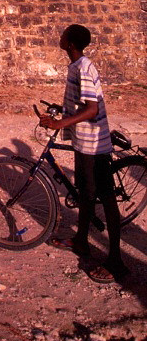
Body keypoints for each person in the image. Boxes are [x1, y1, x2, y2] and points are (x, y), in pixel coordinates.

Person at [40, 24, 128, 283]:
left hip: (94, 144)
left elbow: (91, 109)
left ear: (69, 43)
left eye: (63, 34)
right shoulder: (75, 67)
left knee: (107, 198)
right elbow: (80, 103)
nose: (60, 36)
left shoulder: (85, 68)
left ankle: (116, 261)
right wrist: (62, 111)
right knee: (86, 193)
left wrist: (60, 124)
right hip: (83, 141)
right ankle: (80, 241)